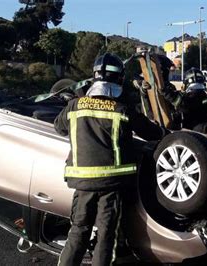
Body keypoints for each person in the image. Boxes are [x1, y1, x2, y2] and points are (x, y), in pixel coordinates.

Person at [54, 53, 167, 266]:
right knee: (106, 237)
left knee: (78, 232)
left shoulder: (74, 107)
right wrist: (167, 132)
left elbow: (58, 127)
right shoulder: (122, 109)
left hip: (83, 184)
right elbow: (151, 132)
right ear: (120, 79)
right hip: (111, 185)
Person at [159, 67, 207, 135]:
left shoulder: (195, 95)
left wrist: (169, 94)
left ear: (186, 84)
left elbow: (184, 105)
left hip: (200, 135)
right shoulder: (203, 95)